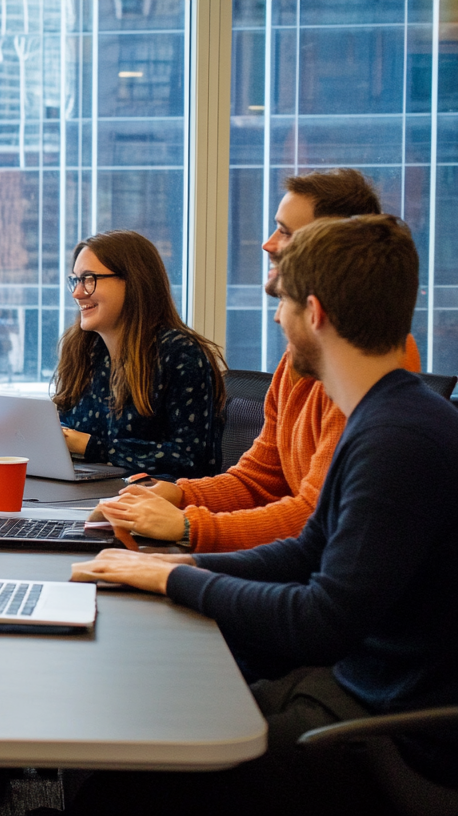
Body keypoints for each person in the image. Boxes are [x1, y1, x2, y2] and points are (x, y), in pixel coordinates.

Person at [62, 215, 458, 815]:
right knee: (128, 727)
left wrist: (176, 577)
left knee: (126, 781)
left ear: (315, 314)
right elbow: (305, 553)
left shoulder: (398, 440)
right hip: (355, 684)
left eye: (283, 305)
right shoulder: (381, 415)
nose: (277, 319)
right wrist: (183, 563)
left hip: (392, 731)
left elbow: (320, 618)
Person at [95, 168, 422, 550]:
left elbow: (315, 517)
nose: (268, 244)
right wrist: (176, 495)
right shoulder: (300, 358)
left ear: (332, 242)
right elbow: (259, 480)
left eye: (284, 231)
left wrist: (187, 527)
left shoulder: (364, 362)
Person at [53, 230, 226, 480]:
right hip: (89, 492)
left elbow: (191, 460)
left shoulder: (180, 353)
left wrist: (92, 447)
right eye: (75, 280)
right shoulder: (83, 349)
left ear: (133, 281)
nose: (77, 293)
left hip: (154, 506)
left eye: (89, 279)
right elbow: (69, 432)